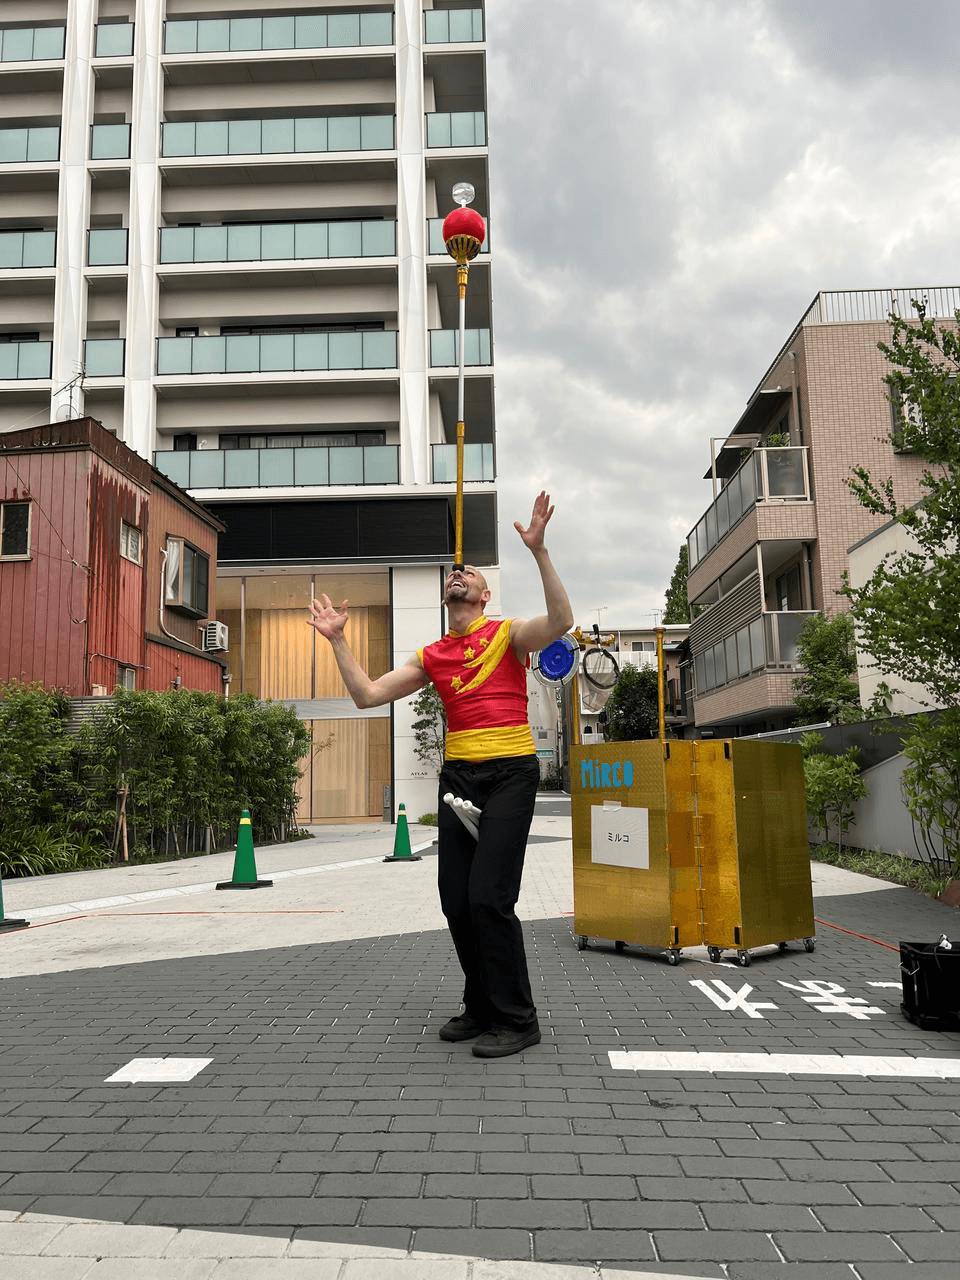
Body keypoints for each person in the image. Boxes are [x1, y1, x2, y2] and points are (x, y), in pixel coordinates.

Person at [307, 491, 573, 1058]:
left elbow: (561, 621)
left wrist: (539, 551)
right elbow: (367, 695)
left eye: (471, 573)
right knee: (456, 899)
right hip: (459, 780)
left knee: (489, 898)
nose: (460, 574)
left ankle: (517, 1018)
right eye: (455, 573)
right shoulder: (432, 656)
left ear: (484, 594)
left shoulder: (508, 634)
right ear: (446, 595)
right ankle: (481, 1005)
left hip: (510, 774)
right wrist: (339, 641)